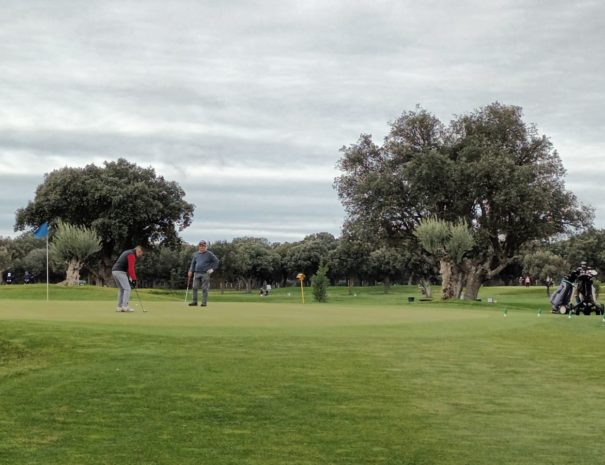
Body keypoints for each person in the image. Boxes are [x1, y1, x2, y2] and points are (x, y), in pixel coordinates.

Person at [112, 246, 144, 312]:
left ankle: (119, 307)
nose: (139, 255)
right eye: (140, 253)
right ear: (138, 251)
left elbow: (128, 268)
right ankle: (125, 306)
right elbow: (131, 269)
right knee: (127, 288)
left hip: (115, 271)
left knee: (121, 289)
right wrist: (134, 279)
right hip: (120, 272)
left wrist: (130, 278)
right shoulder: (131, 255)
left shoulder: (127, 252)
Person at [188, 240, 219, 307]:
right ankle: (194, 302)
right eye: (200, 246)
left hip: (205, 273)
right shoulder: (196, 254)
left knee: (204, 288)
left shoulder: (209, 254)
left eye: (203, 246)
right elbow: (192, 264)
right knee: (194, 287)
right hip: (196, 273)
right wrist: (190, 270)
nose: (202, 247)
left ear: (206, 247)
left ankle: (204, 303)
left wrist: (212, 269)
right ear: (199, 246)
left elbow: (216, 261)